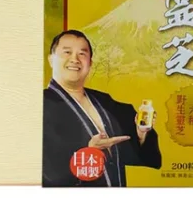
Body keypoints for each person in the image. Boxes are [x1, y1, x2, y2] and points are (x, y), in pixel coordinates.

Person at [43, 29, 162, 187]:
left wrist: (141, 133)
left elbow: (130, 154)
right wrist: (89, 152)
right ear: (51, 60)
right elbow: (43, 170)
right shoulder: (41, 104)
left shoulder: (103, 101)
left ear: (90, 63)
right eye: (67, 52)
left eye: (82, 54)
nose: (75, 59)